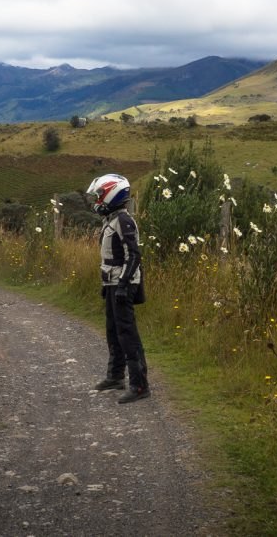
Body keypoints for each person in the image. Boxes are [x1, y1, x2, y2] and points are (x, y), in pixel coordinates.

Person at [85, 173, 150, 404]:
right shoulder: (111, 220)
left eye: (100, 195)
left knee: (127, 333)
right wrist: (109, 285)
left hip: (123, 284)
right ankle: (115, 376)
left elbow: (134, 255)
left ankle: (140, 385)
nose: (97, 201)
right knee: (113, 331)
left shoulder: (124, 221)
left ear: (113, 194)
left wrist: (123, 285)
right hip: (112, 283)